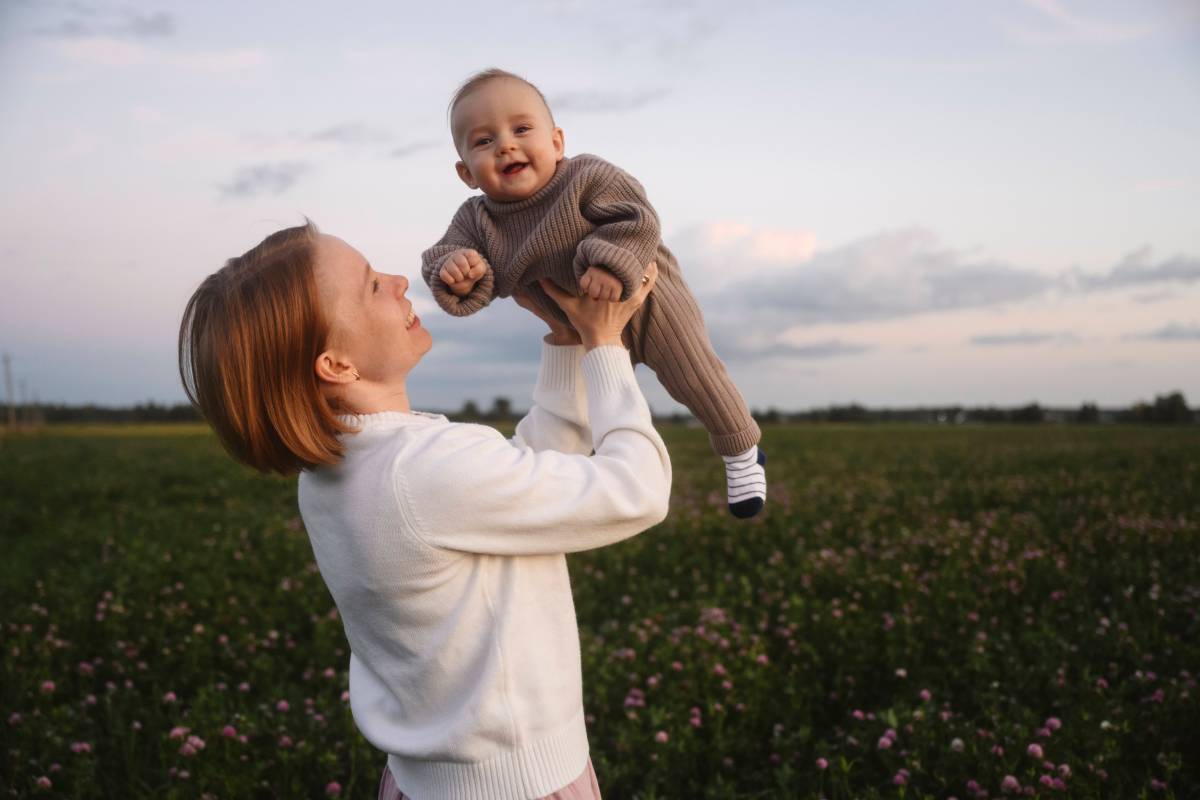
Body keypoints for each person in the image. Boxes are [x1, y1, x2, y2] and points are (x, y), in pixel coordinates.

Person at [178, 221, 670, 800]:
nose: (396, 281)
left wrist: (567, 340)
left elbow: (516, 489)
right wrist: (606, 347)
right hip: (519, 787)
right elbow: (638, 490)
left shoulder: (342, 472)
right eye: (369, 287)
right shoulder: (422, 469)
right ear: (335, 365)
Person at [421, 68, 767, 519]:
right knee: (578, 416)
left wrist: (609, 262)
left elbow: (636, 217)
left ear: (557, 142)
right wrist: (456, 272)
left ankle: (740, 449)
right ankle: (576, 482)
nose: (506, 145)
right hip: (576, 328)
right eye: (484, 141)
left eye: (521, 129)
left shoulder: (585, 177)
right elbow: (443, 253)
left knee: (694, 376)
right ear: (466, 172)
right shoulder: (477, 220)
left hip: (648, 299)